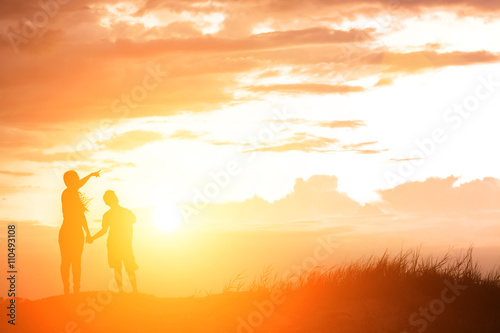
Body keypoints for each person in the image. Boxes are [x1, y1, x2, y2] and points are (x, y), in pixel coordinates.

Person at [89, 190, 139, 293]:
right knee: (127, 267)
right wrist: (92, 238)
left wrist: (92, 238)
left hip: (117, 243)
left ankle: (125, 290)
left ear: (107, 202)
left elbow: (103, 231)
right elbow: (134, 220)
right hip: (122, 243)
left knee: (120, 268)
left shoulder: (108, 215)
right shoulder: (126, 212)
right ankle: (133, 290)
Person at [59, 169, 100, 294]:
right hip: (67, 231)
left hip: (77, 231)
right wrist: (91, 175)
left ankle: (76, 288)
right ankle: (66, 288)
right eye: (73, 179)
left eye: (76, 179)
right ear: (67, 182)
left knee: (76, 261)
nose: (76, 181)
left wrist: (87, 232)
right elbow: (78, 185)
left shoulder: (75, 195)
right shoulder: (66, 193)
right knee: (66, 261)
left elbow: (81, 217)